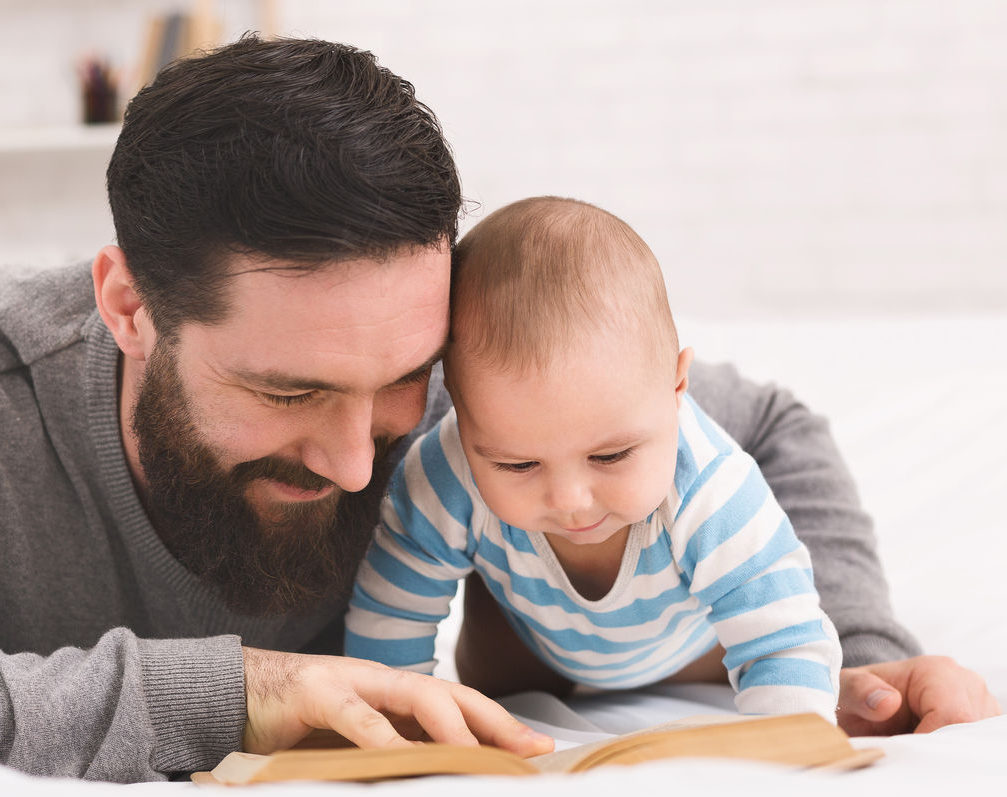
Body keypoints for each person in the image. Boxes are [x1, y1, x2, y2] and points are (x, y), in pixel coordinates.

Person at [0, 37, 994, 783]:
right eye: (286, 391)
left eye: (398, 383)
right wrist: (229, 695)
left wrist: (863, 655)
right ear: (127, 306)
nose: (353, 456)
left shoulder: (457, 363)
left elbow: (761, 424)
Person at [346, 196, 845, 720]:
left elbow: (785, 634)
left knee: (762, 638)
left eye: (610, 456)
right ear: (460, 418)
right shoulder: (444, 472)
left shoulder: (710, 488)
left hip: (692, 651)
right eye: (517, 465)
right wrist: (393, 724)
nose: (570, 501)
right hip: (529, 646)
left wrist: (792, 738)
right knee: (490, 673)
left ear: (676, 386)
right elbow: (391, 611)